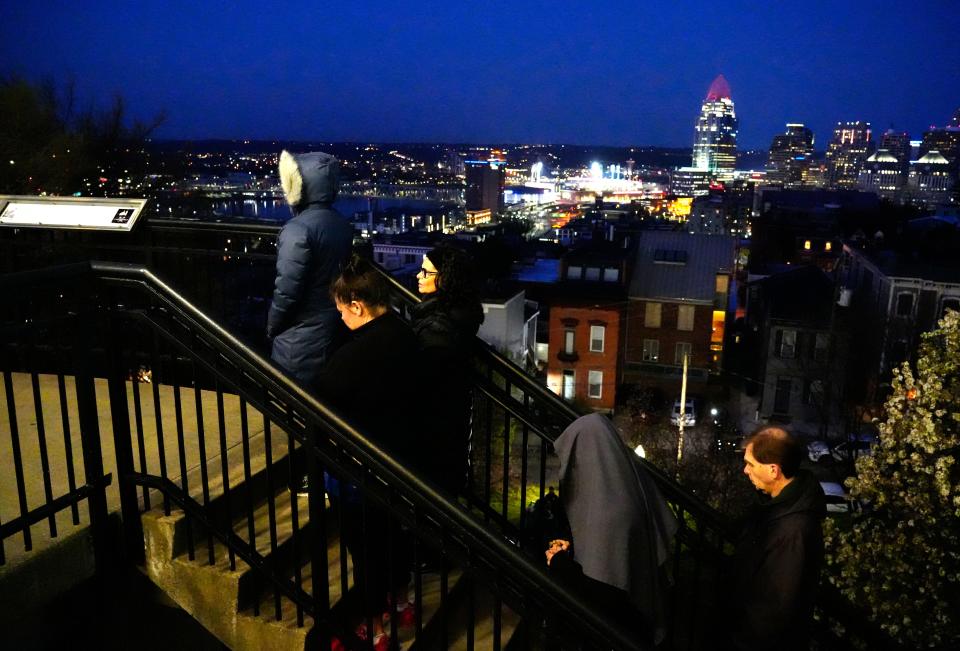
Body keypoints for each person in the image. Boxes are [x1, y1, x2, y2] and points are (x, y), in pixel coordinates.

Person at [315, 255, 420, 649]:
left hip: (360, 471)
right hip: (401, 462)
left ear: (357, 305)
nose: (340, 318)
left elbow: (318, 405)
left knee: (366, 549)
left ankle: (374, 629)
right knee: (392, 540)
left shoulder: (351, 358)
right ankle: (402, 601)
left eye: (342, 309)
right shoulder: (406, 335)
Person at [546, 413, 678, 646]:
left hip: (619, 632)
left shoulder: (609, 512)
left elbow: (603, 592)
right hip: (637, 621)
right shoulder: (628, 487)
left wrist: (559, 563)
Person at [728, 426, 826, 650]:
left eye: (751, 464)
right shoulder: (778, 507)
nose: (745, 470)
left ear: (773, 470)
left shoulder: (792, 530)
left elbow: (772, 610)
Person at [266, 150, 352, 387]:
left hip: (299, 334)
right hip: (332, 324)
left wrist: (272, 326)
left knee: (291, 395)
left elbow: (287, 290)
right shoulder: (341, 224)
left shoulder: (298, 229)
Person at [409, 244, 483, 494]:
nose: (419, 276)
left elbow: (424, 384)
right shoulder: (459, 314)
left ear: (445, 279)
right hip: (450, 430)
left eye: (426, 273)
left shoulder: (438, 329)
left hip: (433, 435)